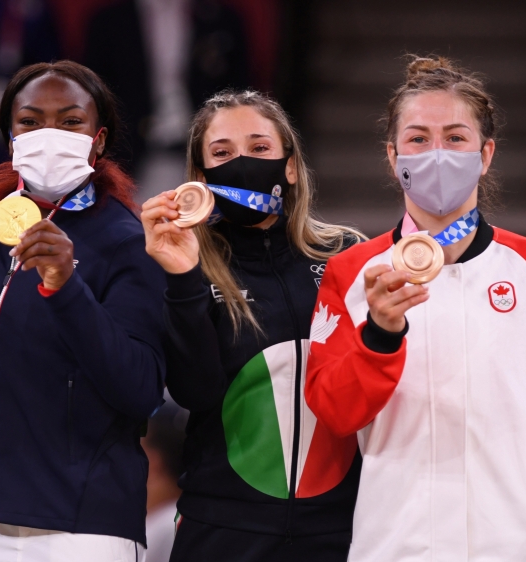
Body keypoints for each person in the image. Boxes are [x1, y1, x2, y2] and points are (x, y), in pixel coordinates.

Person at [305, 56, 526, 561]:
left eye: (455, 137)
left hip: (524, 545)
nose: (437, 153)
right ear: (392, 156)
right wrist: (380, 335)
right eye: (418, 139)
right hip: (397, 545)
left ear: (486, 153)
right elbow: (335, 415)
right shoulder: (353, 274)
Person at [0, 60, 166, 562]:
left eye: (70, 121)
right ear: (10, 139)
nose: (49, 133)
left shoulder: (128, 241)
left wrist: (67, 287)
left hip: (82, 524)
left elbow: (142, 389)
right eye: (30, 121)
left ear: (99, 139)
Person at [140, 90, 365, 561]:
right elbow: (194, 392)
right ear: (200, 179)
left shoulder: (347, 255)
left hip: (340, 528)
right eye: (222, 153)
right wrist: (183, 278)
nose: (242, 162)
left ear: (291, 166)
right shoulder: (186, 266)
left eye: (260, 148)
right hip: (224, 528)